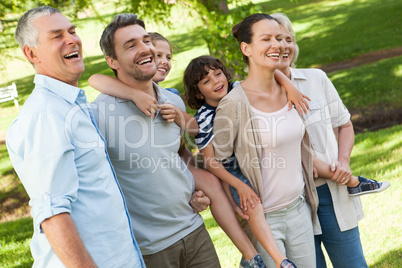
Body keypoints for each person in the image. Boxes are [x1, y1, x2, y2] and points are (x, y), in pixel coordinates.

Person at [6, 6, 144, 267]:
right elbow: (53, 215)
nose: (72, 39)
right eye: (57, 36)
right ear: (31, 53)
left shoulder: (70, 106)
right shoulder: (45, 115)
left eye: (72, 31)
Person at [91, 13, 220, 267]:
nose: (145, 49)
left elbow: (179, 155)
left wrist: (196, 190)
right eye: (131, 45)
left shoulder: (172, 102)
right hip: (150, 249)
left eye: (146, 40)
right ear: (112, 61)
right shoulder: (99, 115)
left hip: (194, 231)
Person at [271, 12, 390, 267]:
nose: (284, 46)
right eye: (275, 40)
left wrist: (343, 161)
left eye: (288, 39)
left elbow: (344, 124)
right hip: (291, 203)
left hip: (332, 194)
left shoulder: (316, 79)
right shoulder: (253, 96)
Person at [211, 13, 320, 268]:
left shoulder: (290, 91)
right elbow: (216, 160)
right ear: (246, 48)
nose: (278, 45)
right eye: (266, 39)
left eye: (280, 38)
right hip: (263, 219)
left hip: (299, 208)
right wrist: (239, 188)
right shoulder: (234, 103)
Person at [184, 55, 308, 268]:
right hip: (233, 169)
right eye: (206, 81)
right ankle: (280, 260)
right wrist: (238, 186)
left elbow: (268, 71)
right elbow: (212, 163)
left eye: (218, 73)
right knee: (253, 206)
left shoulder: (238, 90)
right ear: (198, 93)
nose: (216, 81)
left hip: (258, 158)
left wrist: (290, 87)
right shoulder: (203, 118)